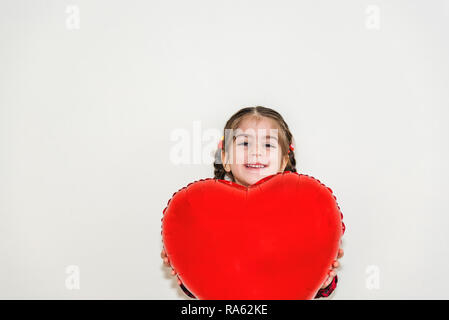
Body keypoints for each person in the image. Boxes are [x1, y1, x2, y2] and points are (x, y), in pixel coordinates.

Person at [162, 106, 345, 299]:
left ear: (284, 161)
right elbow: (212, 276)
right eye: (244, 143)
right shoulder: (204, 213)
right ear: (225, 158)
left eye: (268, 145)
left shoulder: (307, 211)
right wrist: (183, 265)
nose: (256, 152)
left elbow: (305, 272)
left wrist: (325, 281)